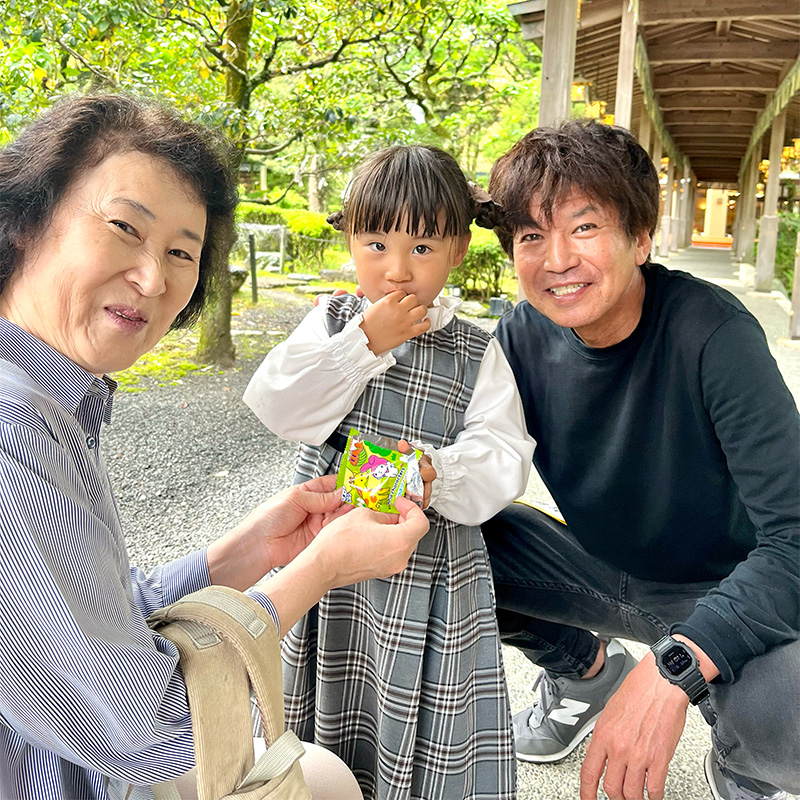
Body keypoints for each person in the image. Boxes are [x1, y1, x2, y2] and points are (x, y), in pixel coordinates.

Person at [0, 93, 431, 800]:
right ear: (26, 219)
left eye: (180, 252)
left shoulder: (58, 400)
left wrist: (248, 553)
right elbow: (151, 724)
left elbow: (102, 620)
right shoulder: (14, 425)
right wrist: (320, 568)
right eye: (123, 228)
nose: (153, 277)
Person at [481, 119, 800, 800]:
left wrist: (674, 668)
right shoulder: (518, 334)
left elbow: (796, 538)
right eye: (531, 235)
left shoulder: (714, 335)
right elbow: (461, 461)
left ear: (641, 238)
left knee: (795, 717)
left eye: (584, 227)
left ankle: (746, 760)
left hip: (715, 587)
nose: (557, 258)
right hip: (594, 569)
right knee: (428, 534)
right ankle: (584, 671)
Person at [243, 144, 535, 800]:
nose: (397, 270)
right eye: (376, 244)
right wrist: (363, 345)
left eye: (423, 249)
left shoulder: (477, 349)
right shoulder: (334, 321)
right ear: (349, 238)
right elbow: (277, 405)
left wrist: (439, 473)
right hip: (327, 552)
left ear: (459, 250)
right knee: (324, 695)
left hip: (428, 565)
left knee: (419, 706)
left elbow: (505, 452)